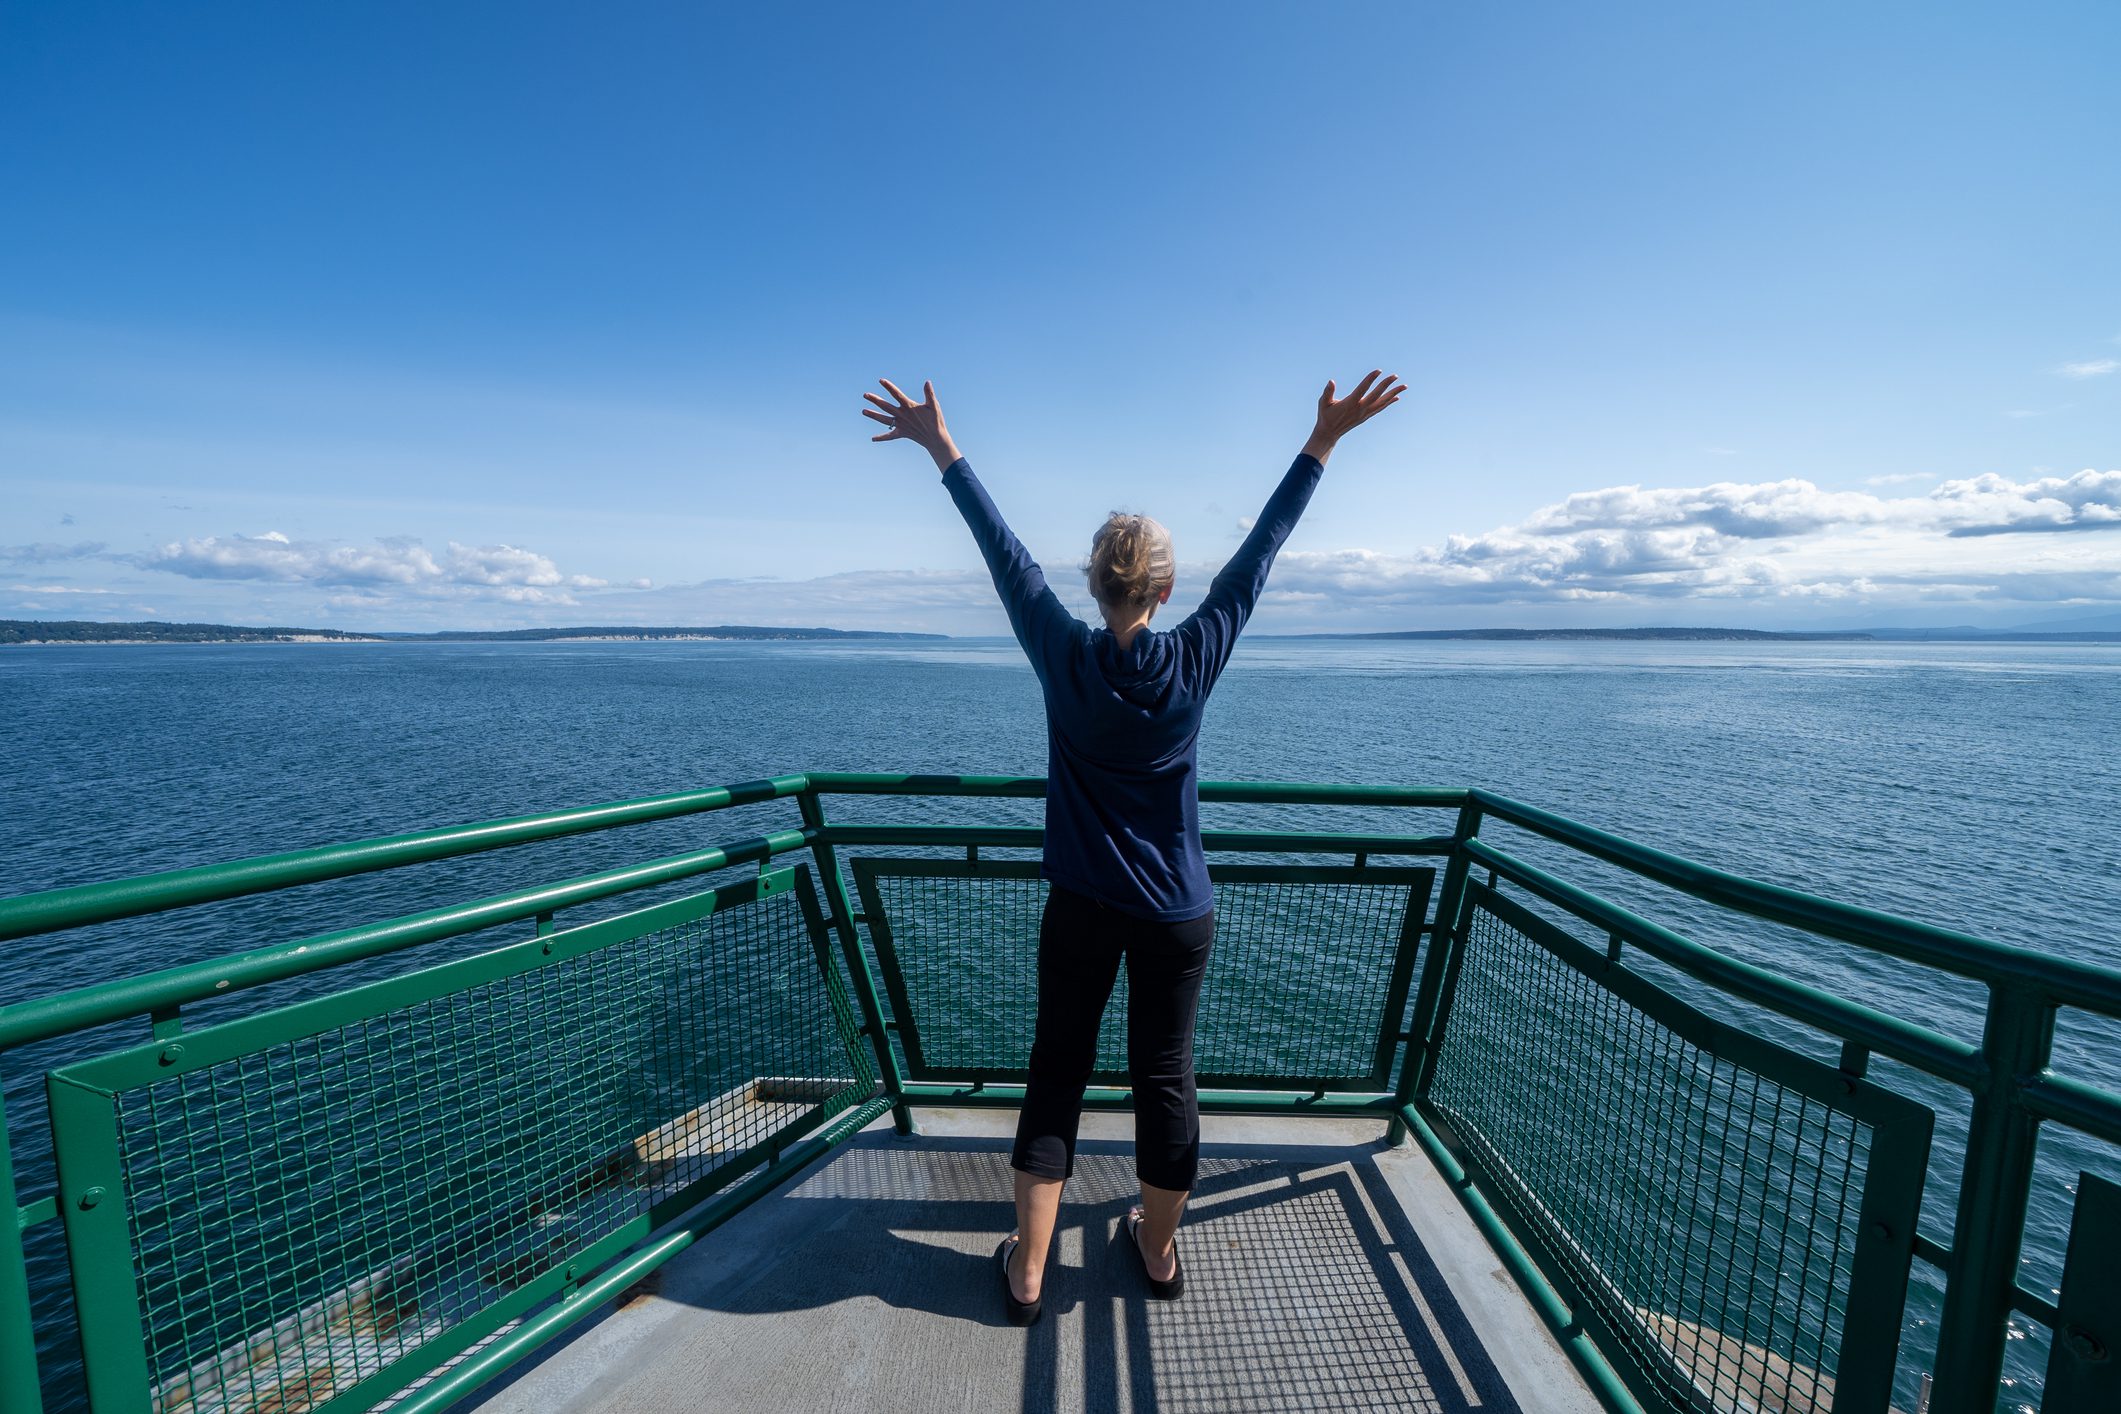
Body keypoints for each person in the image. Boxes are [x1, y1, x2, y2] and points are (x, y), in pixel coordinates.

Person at [861, 371, 1404, 1325]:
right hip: (1176, 914)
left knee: (1055, 1073)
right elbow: (1258, 558)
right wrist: (1322, 442)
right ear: (1162, 587)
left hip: (1080, 905)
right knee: (1166, 1079)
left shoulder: (1063, 658)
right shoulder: (1194, 657)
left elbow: (1003, 554)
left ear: (1094, 585)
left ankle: (1026, 1272)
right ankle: (1155, 1253)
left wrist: (943, 450)